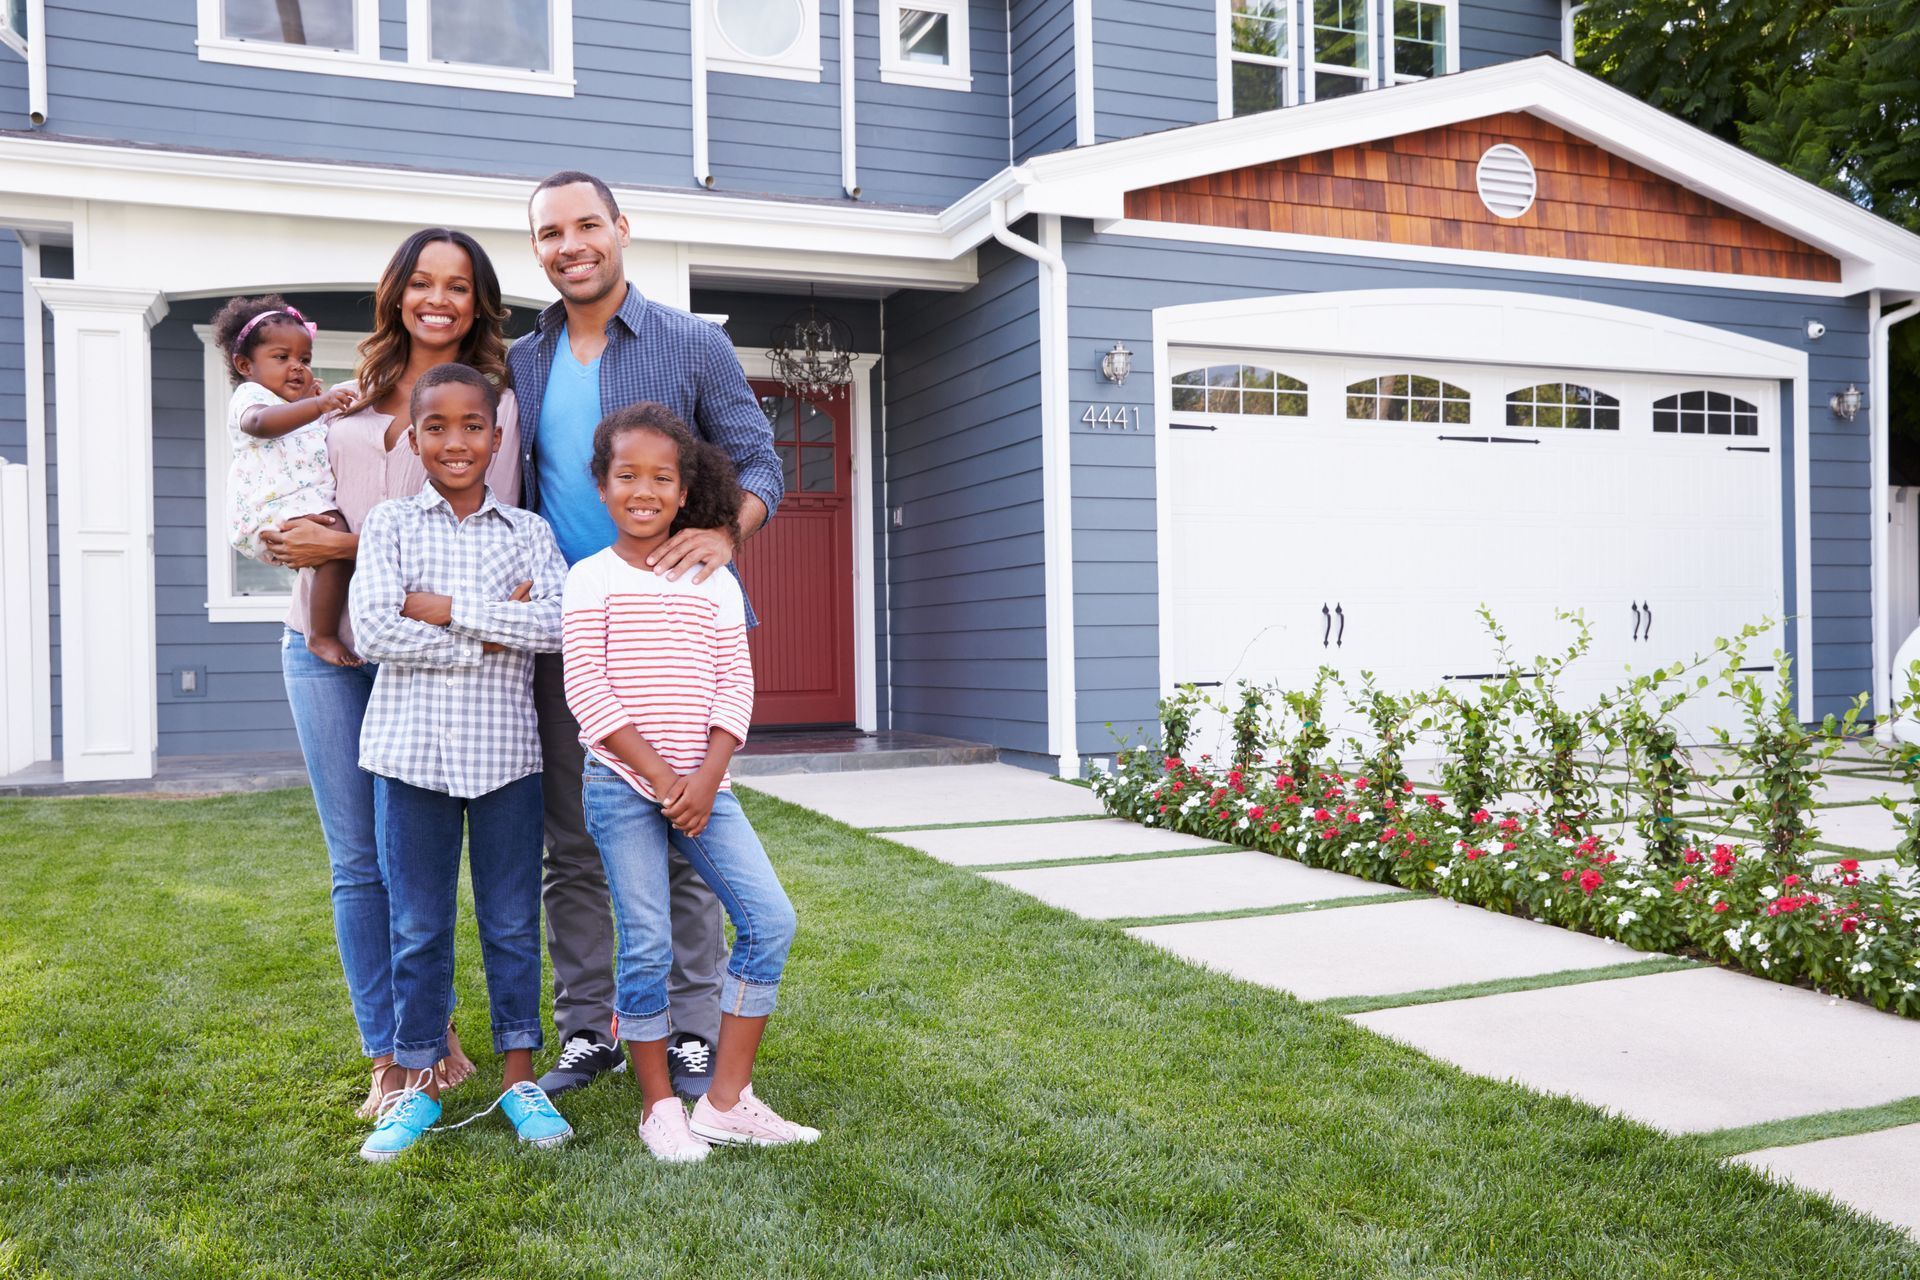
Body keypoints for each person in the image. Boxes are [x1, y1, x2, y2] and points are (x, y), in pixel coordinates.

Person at [510, 169, 784, 1100]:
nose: (571, 244)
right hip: (575, 633)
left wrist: (725, 529)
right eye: (551, 233)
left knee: (689, 835)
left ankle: (695, 1031)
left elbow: (759, 459)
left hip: (681, 632)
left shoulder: (690, 343)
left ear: (622, 228)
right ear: (537, 249)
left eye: (588, 224)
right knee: (576, 841)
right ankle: (590, 1029)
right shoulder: (523, 359)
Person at [262, 228, 520, 1117]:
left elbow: (482, 544)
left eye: (456, 285)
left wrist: (341, 541)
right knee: (356, 863)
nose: (437, 299)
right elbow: (291, 507)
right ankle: (394, 1049)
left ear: (478, 301)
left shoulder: (497, 406)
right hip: (323, 647)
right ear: (396, 293)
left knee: (421, 862)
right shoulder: (342, 396)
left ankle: (429, 1027)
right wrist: (291, 538)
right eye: (420, 282)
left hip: (426, 662)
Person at [565, 404, 814, 1161]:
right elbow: (589, 694)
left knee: (769, 923)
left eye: (661, 477)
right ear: (602, 487)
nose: (644, 489)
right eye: (626, 475)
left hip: (708, 785)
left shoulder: (716, 581)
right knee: (646, 944)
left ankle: (726, 1102)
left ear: (684, 491)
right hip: (621, 784)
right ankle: (658, 1107)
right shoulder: (589, 579)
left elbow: (734, 689)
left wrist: (706, 780)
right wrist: (666, 778)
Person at [350, 363, 572, 1162]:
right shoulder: (388, 527)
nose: (455, 442)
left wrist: (442, 612)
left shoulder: (530, 535)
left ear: (497, 436)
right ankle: (414, 1083)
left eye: (472, 426)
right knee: (417, 925)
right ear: (414, 438)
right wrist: (488, 630)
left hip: (506, 758)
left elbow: (553, 625)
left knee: (513, 922)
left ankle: (520, 1078)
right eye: (436, 427)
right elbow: (374, 630)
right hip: (410, 758)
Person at [213, 295, 358, 667]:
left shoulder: (302, 406)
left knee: (334, 546)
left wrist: (315, 405)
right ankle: (321, 635)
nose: (296, 367)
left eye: (304, 360)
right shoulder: (251, 397)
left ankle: (325, 627)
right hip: (270, 507)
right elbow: (260, 424)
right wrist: (318, 404)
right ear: (246, 365)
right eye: (282, 358)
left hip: (302, 502)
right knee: (335, 547)